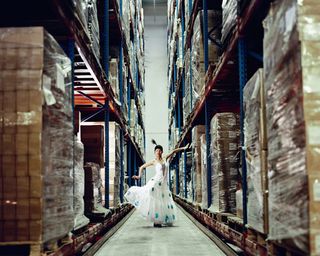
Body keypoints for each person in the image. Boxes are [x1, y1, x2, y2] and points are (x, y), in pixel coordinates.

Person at [124, 140, 190, 227]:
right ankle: (156, 220)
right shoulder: (154, 161)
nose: (157, 152)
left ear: (162, 152)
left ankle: (161, 219)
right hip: (156, 182)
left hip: (163, 184)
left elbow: (174, 151)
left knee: (163, 201)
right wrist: (139, 176)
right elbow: (142, 167)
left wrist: (184, 148)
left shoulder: (165, 158)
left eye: (159, 151)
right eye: (156, 151)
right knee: (154, 200)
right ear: (154, 152)